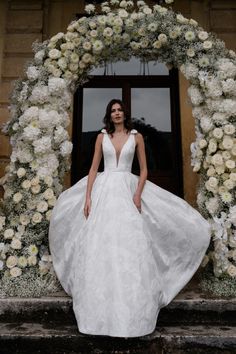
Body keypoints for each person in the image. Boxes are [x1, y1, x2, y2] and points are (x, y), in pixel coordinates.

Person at [48, 98, 211, 338]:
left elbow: (144, 169)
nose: (116, 113)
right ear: (109, 115)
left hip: (127, 187)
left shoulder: (137, 137)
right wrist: (88, 197)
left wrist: (137, 194)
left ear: (125, 114)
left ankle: (132, 311)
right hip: (103, 189)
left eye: (119, 110)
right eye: (112, 110)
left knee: (129, 245)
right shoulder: (101, 137)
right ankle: (98, 311)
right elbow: (93, 168)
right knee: (100, 244)